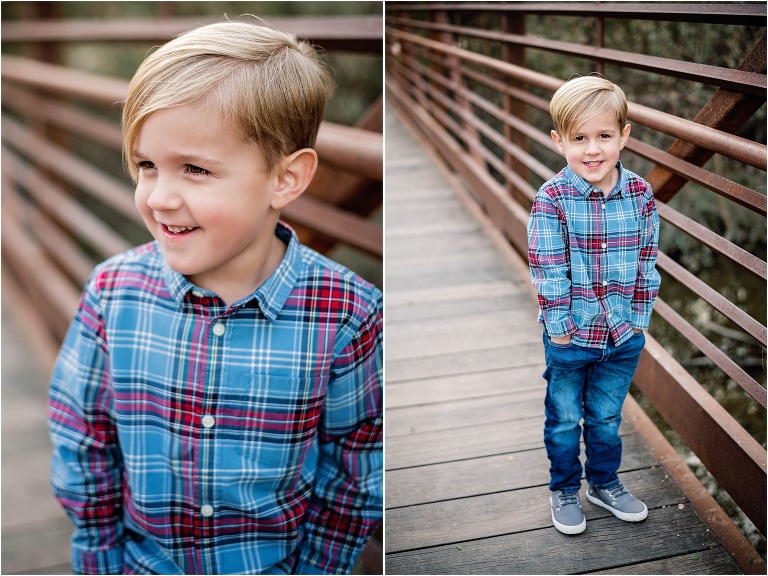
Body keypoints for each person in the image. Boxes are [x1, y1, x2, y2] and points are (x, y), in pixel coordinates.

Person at [48, 20, 382, 574]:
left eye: (195, 170)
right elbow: (82, 437)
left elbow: (356, 468)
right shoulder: (112, 294)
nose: (158, 197)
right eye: (147, 165)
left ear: (286, 179)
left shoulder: (347, 314)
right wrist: (101, 558)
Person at [527, 74, 661, 535]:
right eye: (579, 138)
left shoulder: (641, 196)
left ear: (624, 136)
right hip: (570, 336)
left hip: (622, 336)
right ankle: (564, 487)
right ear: (558, 141)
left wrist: (639, 320)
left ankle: (603, 483)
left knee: (605, 416)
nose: (592, 150)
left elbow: (647, 261)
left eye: (604, 136)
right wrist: (560, 327)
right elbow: (548, 267)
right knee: (565, 418)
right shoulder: (552, 200)